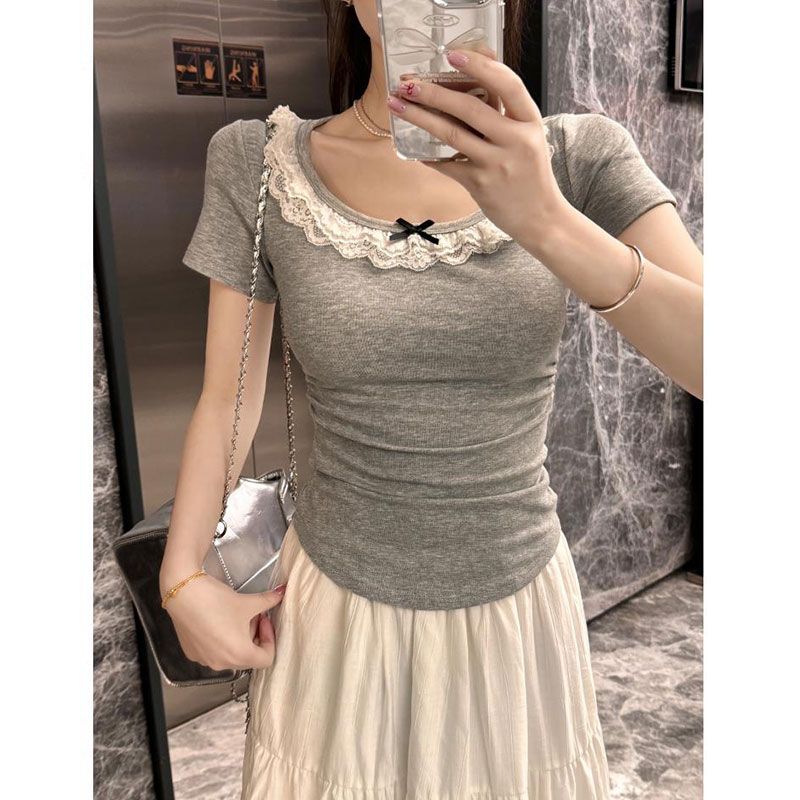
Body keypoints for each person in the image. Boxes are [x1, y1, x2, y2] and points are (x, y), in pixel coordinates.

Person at [159, 0, 703, 797]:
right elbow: (223, 398)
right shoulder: (259, 162)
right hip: (335, 616)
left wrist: (546, 218)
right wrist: (181, 575)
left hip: (515, 613)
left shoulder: (581, 154)